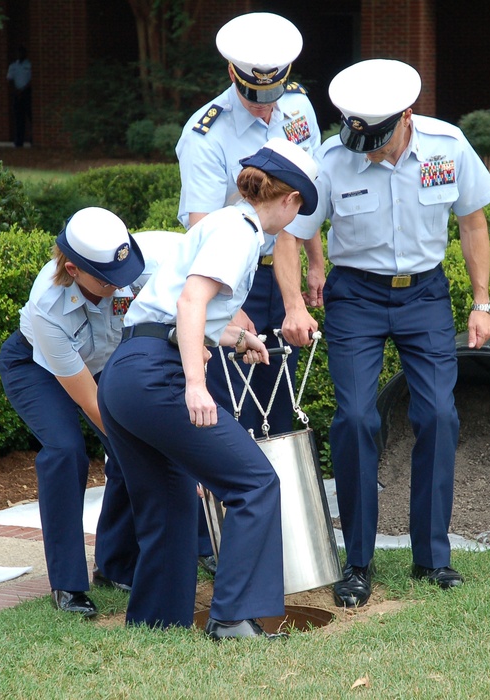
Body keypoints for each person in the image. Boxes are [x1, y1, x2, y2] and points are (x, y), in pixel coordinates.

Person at [274, 59, 490, 608]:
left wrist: (481, 302)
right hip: (357, 296)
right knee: (354, 418)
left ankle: (432, 558)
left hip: (425, 293)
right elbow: (287, 233)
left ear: (407, 117)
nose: (365, 149)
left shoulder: (448, 146)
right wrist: (292, 305)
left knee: (439, 416)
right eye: (358, 136)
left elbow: (472, 222)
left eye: (375, 137)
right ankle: (357, 562)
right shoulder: (333, 158)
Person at [97, 137, 318, 639]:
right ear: (288, 200)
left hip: (127, 374)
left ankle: (155, 625)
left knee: (169, 504)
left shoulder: (221, 221)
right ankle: (233, 618)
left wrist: (238, 337)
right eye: (300, 210)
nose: (296, 223)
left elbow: (182, 312)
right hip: (159, 376)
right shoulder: (240, 233)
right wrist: (197, 385)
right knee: (255, 483)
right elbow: (191, 302)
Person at [176, 12, 324, 438]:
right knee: (230, 404)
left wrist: (314, 264)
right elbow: (202, 232)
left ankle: (275, 500)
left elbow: (303, 199)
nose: (263, 103)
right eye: (253, 93)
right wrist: (230, 303)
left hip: (285, 268)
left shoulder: (297, 106)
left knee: (279, 400)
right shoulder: (204, 135)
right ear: (231, 72)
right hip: (232, 276)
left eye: (270, 92)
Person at [0, 207, 147, 618]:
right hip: (37, 368)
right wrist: (135, 444)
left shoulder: (131, 266)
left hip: (104, 363)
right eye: (106, 278)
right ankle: (67, 584)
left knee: (133, 451)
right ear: (72, 269)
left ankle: (115, 563)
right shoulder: (47, 305)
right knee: (66, 453)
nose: (119, 284)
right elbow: (89, 400)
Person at [7, 46, 32, 148]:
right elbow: (10, 79)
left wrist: (24, 90)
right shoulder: (13, 66)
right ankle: (18, 141)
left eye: (21, 53)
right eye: (18, 53)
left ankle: (32, 140)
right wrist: (16, 91)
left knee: (30, 117)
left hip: (27, 93)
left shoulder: (29, 65)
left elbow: (31, 80)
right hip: (17, 94)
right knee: (18, 119)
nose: (19, 55)